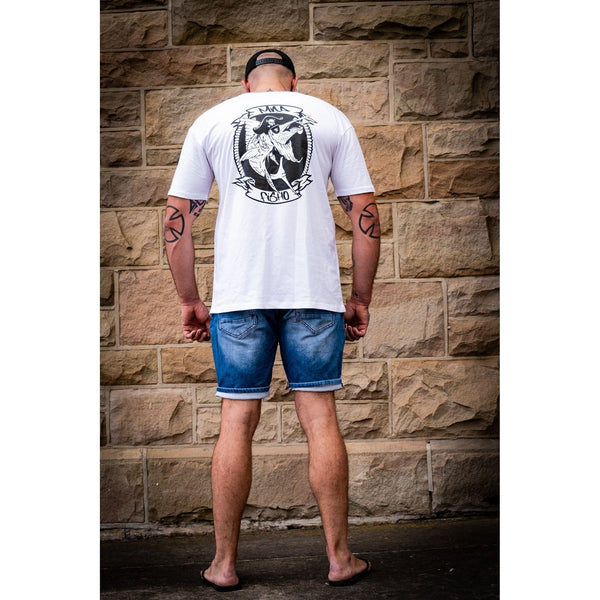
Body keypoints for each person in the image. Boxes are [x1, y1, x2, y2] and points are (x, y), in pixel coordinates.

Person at [164, 49, 380, 592]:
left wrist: (190, 299)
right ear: (293, 83)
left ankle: (223, 564)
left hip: (239, 296)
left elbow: (176, 217)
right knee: (320, 418)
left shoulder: (212, 121)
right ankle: (339, 559)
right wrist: (360, 296)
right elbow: (366, 216)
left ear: (246, 86)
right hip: (313, 293)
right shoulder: (329, 118)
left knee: (236, 421)